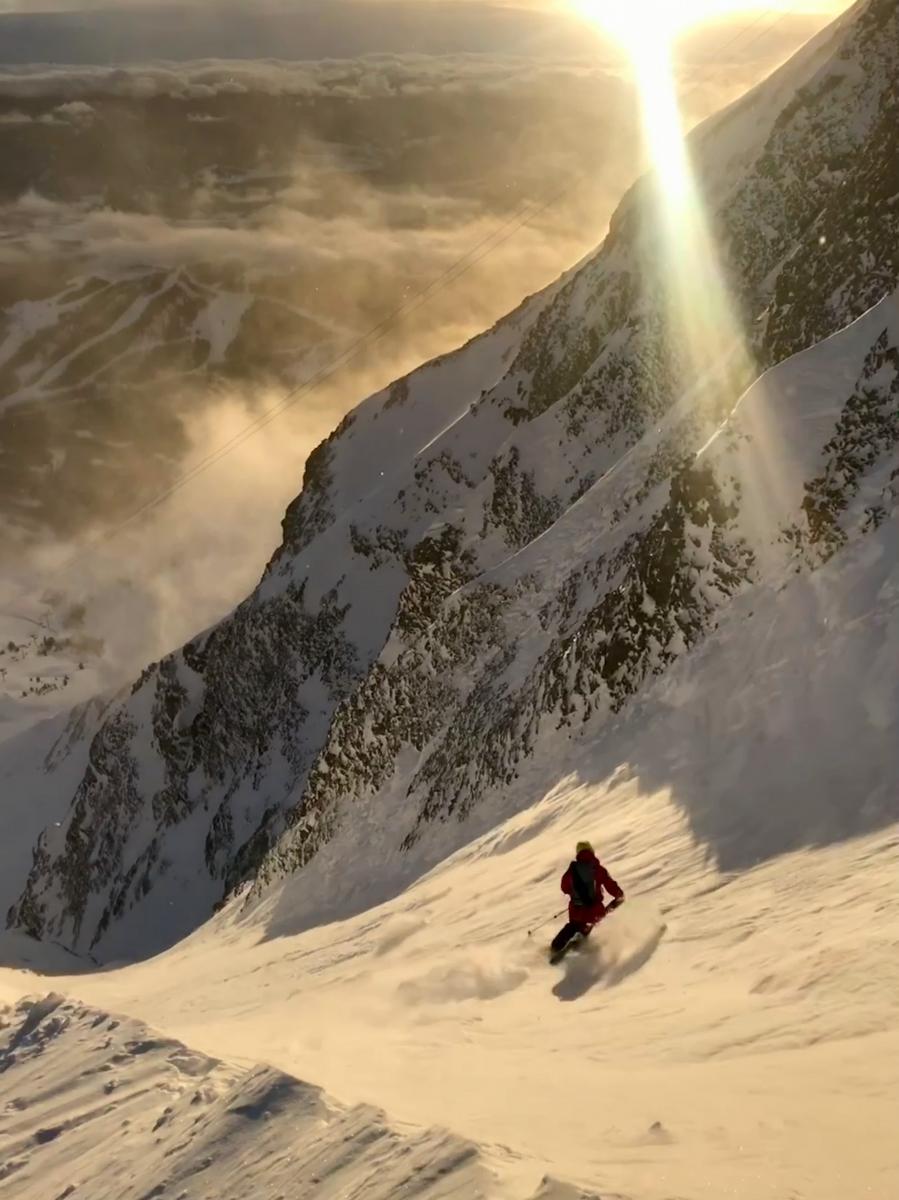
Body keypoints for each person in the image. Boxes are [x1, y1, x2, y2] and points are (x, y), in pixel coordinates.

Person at [551, 840, 624, 956]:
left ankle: (555, 948)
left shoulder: (573, 869)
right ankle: (581, 942)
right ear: (591, 851)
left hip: (576, 913)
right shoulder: (598, 869)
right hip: (595, 913)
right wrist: (619, 894)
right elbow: (610, 885)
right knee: (592, 930)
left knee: (571, 928)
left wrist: (575, 890)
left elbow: (564, 887)